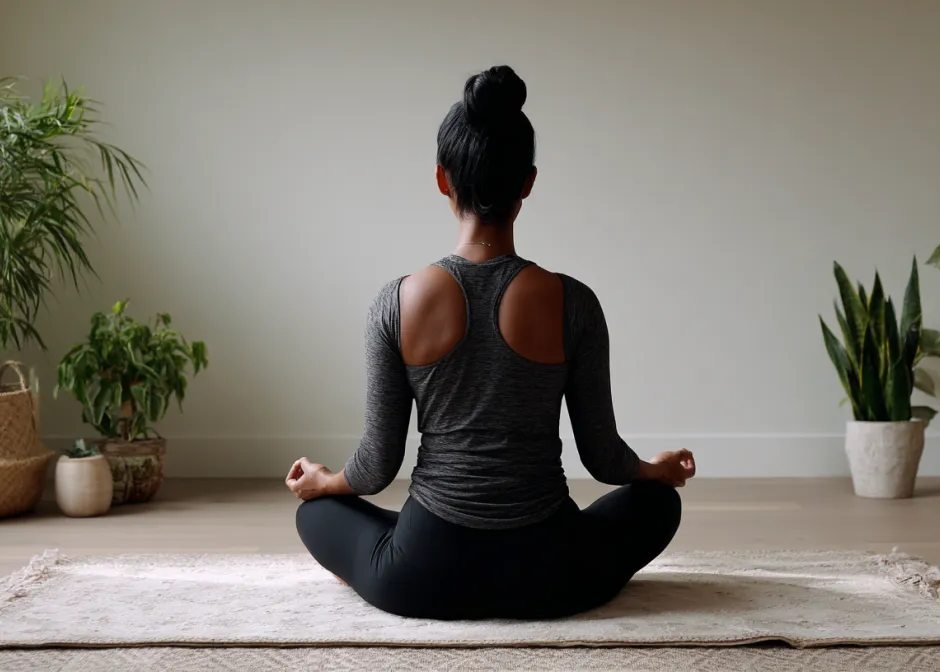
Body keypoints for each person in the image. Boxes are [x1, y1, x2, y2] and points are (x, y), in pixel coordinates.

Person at [287, 65, 696, 620]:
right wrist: (654, 469)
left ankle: (384, 561)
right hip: (552, 574)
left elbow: (377, 465)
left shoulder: (396, 301)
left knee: (317, 513)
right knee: (658, 504)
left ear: (441, 179)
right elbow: (604, 458)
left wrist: (325, 482)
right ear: (527, 182)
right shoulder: (572, 302)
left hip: (425, 575)